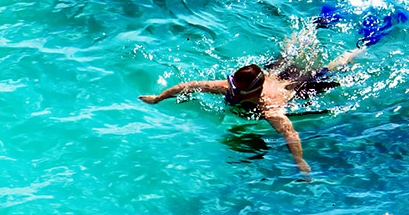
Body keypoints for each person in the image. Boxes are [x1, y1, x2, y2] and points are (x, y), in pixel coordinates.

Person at [138, 44, 369, 175]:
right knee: (286, 53)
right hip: (272, 75)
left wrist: (299, 161)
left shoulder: (270, 109)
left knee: (328, 70)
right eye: (231, 85)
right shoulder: (227, 87)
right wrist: (158, 98)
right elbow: (190, 85)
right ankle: (314, 25)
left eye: (236, 89)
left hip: (296, 87)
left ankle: (360, 48)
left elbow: (289, 132)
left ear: (251, 93)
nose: (230, 91)